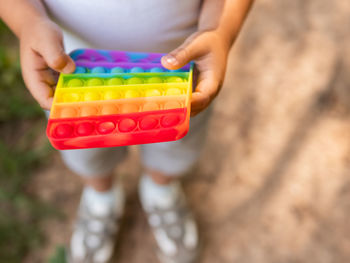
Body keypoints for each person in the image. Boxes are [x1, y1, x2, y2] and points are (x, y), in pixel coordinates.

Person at [0, 0, 253, 262]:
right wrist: (29, 22)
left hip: (180, 77)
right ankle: (101, 197)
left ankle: (160, 191)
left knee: (175, 147)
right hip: (75, 78)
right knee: (89, 155)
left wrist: (218, 31)